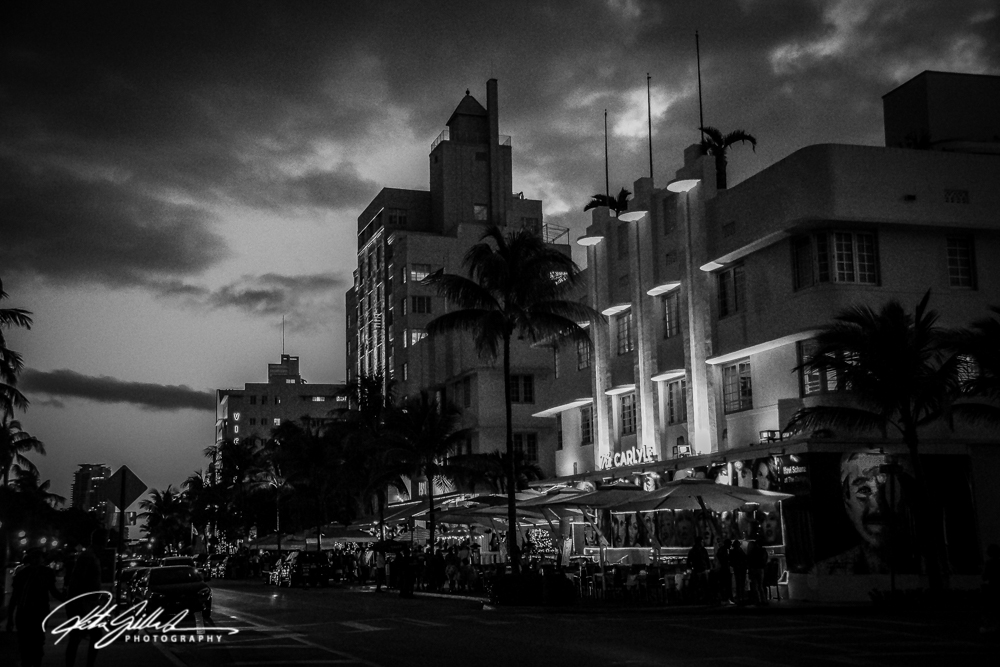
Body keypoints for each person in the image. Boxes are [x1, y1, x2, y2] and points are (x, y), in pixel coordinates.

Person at [7, 549, 64, 667]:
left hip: (29, 612)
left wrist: (10, 618)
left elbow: (15, 597)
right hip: (36, 612)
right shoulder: (44, 572)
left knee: (28, 643)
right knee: (33, 643)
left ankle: (29, 662)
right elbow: (54, 592)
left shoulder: (24, 574)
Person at [66, 528, 107, 667]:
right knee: (79, 637)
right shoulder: (88, 557)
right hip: (84, 603)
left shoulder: (91, 556)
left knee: (84, 636)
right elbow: (77, 581)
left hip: (88, 603)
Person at [981, 544, 999, 634]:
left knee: (990, 608)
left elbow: (984, 577)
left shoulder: (989, 563)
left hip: (993, 587)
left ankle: (991, 626)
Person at [686, 538, 711, 603]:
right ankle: (702, 598)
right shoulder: (702, 550)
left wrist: (690, 567)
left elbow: (689, 561)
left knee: (700, 585)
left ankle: (701, 598)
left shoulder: (694, 551)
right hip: (700, 569)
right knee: (702, 584)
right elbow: (707, 559)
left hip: (698, 569)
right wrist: (708, 567)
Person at [746, 539, 768, 605]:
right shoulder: (763, 551)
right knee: (760, 585)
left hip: (753, 569)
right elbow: (765, 560)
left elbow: (749, 560)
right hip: (760, 569)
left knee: (755, 585)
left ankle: (758, 600)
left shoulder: (752, 552)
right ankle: (763, 600)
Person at [729, 539, 748, 605]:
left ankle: (740, 597)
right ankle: (741, 597)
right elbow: (745, 558)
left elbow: (731, 561)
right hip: (741, 569)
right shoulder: (740, 551)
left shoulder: (733, 551)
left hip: (738, 569)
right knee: (741, 583)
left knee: (739, 584)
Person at [716, 539, 732, 603]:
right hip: (724, 569)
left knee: (725, 584)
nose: (730, 546)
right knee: (725, 584)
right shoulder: (724, 550)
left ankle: (725, 598)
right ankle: (725, 598)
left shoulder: (723, 550)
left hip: (724, 568)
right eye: (730, 544)